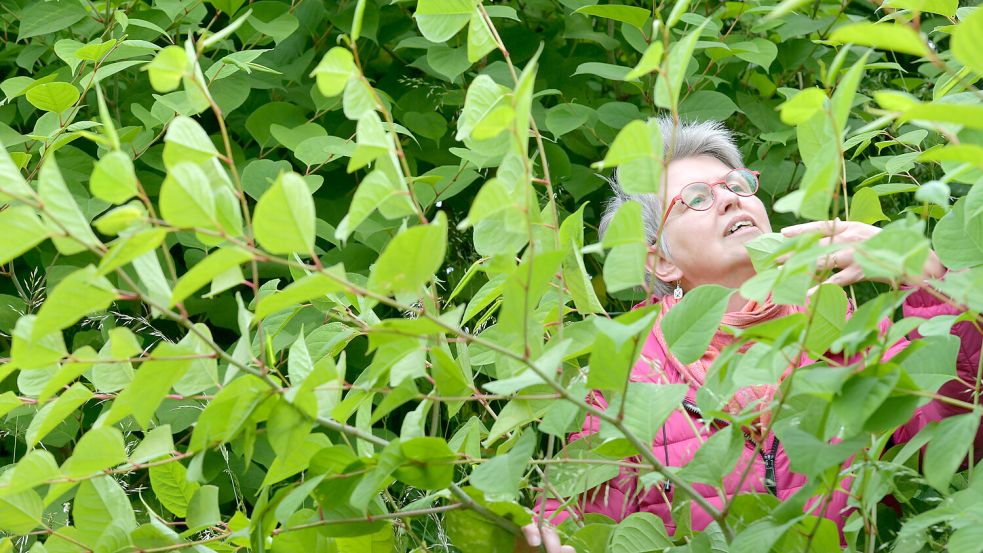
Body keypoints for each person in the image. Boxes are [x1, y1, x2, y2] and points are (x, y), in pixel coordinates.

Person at [515, 118, 983, 552]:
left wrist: (932, 280)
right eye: (696, 197)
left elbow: (957, 434)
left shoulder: (840, 324)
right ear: (661, 261)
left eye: (736, 185)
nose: (729, 198)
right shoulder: (630, 375)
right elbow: (577, 518)